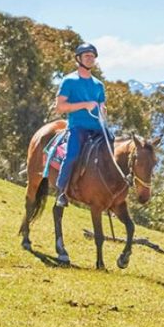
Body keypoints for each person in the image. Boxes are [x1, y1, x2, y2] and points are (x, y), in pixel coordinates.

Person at [54, 42, 109, 207]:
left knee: (116, 154)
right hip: (78, 127)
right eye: (87, 56)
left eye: (92, 56)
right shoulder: (69, 81)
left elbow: (102, 105)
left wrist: (103, 110)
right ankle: (61, 192)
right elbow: (60, 107)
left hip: (99, 128)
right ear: (79, 59)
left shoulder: (99, 85)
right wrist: (84, 105)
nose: (90, 59)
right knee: (72, 157)